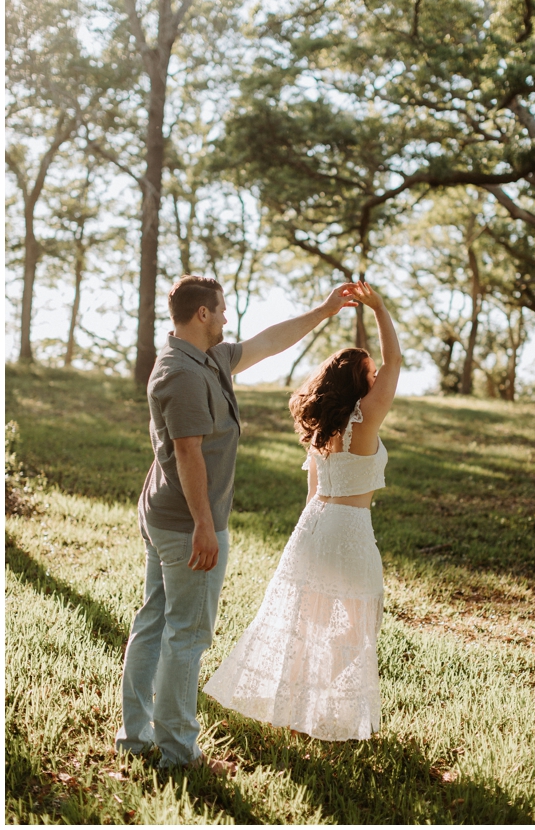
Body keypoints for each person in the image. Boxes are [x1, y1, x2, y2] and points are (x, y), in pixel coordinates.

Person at [115, 275, 358, 772]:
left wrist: (324, 310)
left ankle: (136, 739)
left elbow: (268, 342)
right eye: (221, 310)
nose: (227, 318)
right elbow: (188, 454)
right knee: (186, 634)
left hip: (166, 514)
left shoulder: (208, 359)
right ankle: (179, 754)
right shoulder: (180, 373)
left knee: (155, 622)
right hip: (186, 522)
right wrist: (204, 525)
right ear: (201, 314)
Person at [203, 281, 400, 741]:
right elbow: (395, 362)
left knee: (305, 626)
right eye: (369, 376)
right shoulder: (364, 419)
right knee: (358, 626)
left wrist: (302, 541)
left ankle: (293, 712)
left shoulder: (322, 431)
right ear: (358, 383)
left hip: (312, 527)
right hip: (351, 531)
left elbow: (311, 494)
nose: (377, 381)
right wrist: (380, 308)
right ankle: (316, 710)